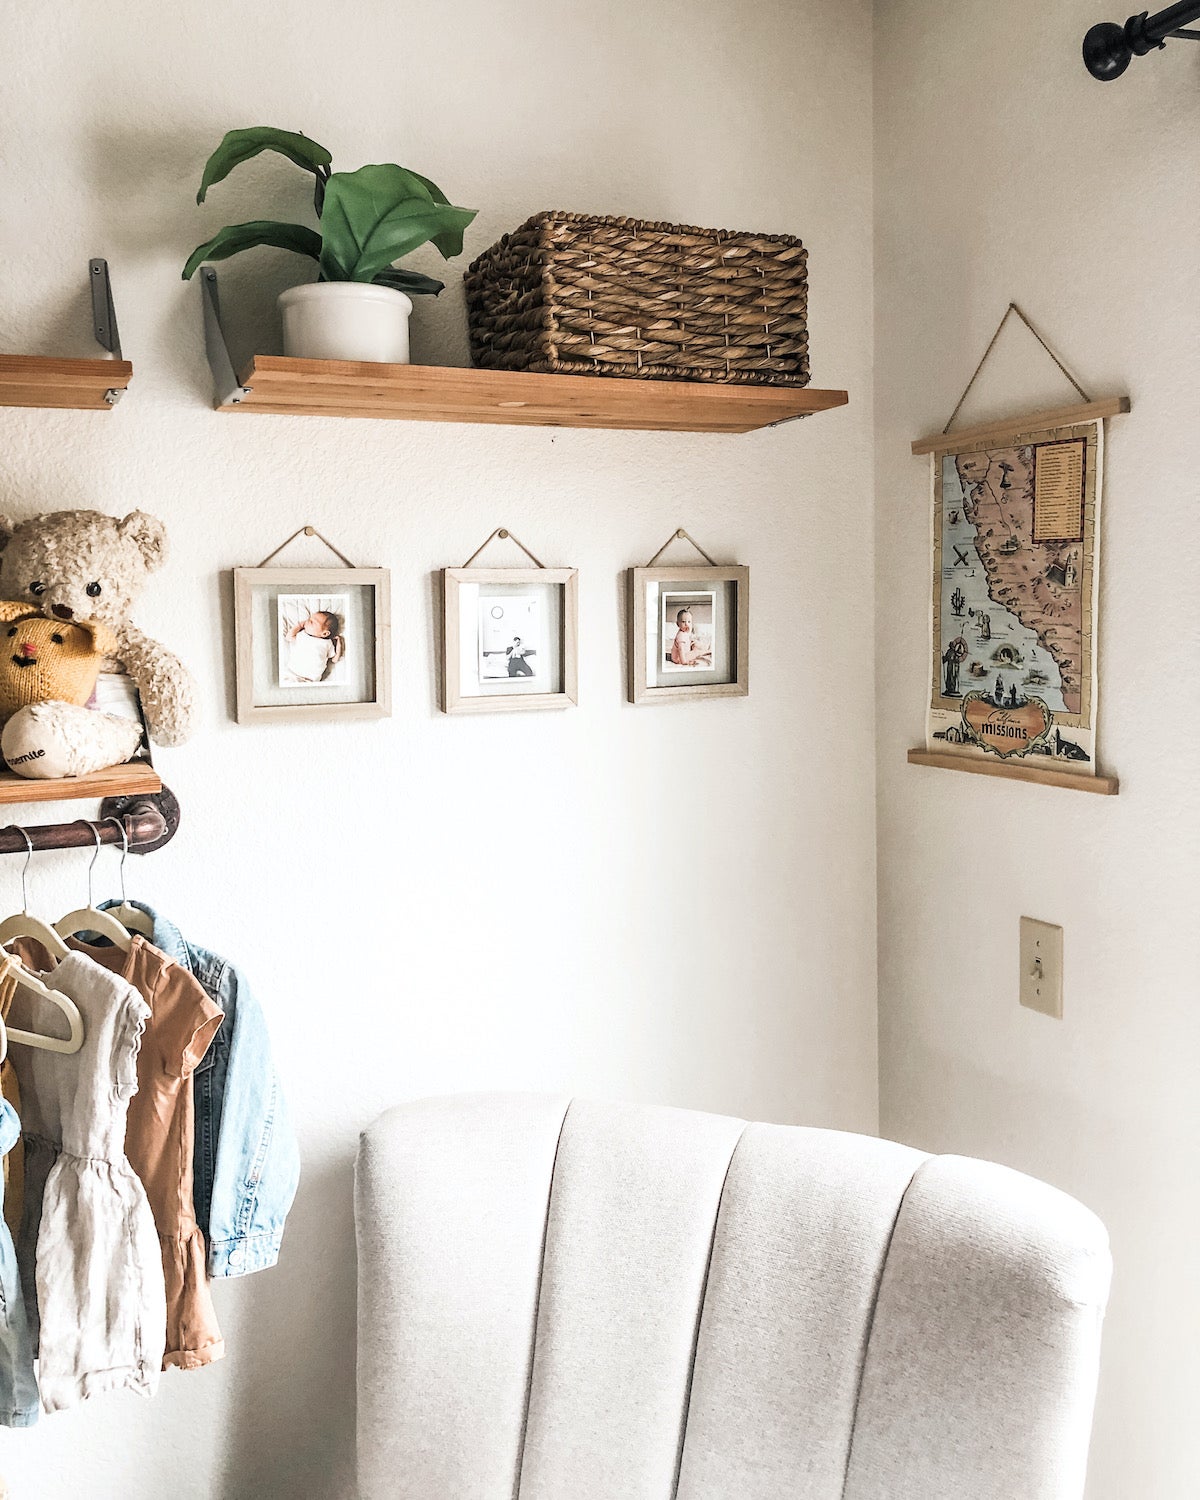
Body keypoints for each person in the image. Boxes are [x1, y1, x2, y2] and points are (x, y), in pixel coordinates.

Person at [285, 609, 344, 684]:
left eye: (312, 622)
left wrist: (339, 644)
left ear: (325, 633)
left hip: (311, 679)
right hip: (292, 673)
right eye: (309, 618)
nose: (307, 621)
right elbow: (288, 637)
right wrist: (299, 625)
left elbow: (335, 659)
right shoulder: (302, 634)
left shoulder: (327, 643)